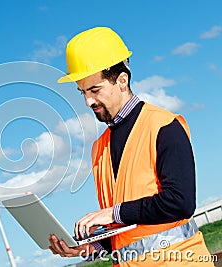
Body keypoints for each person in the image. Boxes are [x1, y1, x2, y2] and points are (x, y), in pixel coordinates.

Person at [48, 27, 214, 266]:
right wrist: (87, 248)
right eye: (82, 92)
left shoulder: (164, 126)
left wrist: (111, 213)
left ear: (122, 81)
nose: (88, 101)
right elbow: (129, 230)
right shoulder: (100, 148)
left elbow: (180, 202)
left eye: (95, 90)